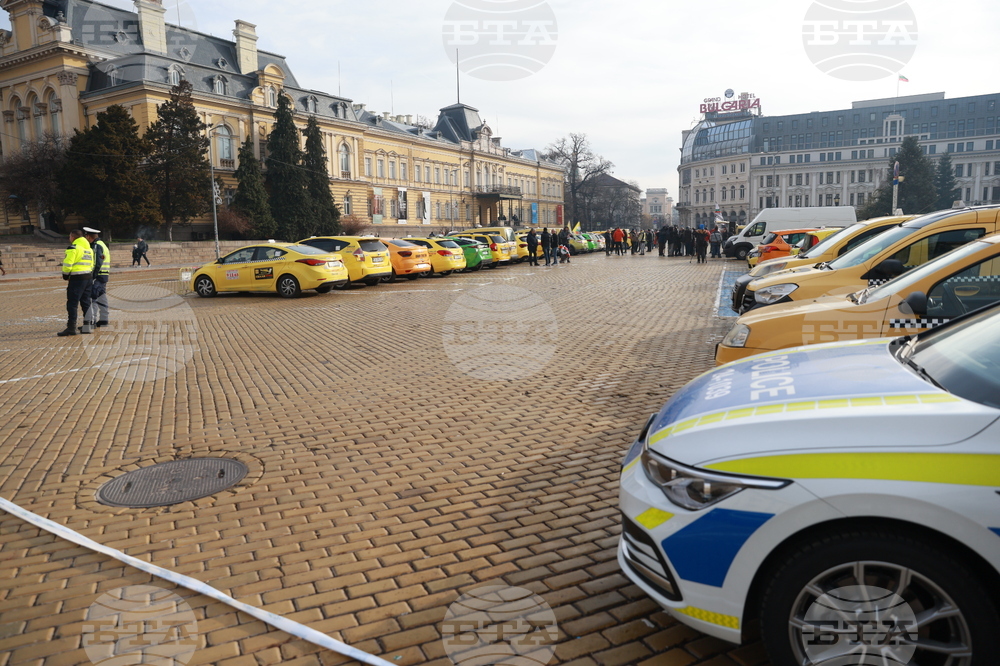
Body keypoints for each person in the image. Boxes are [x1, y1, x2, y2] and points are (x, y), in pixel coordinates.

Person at [58, 229, 95, 337]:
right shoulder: (89, 249)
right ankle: (87, 326)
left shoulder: (73, 248)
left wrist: (65, 275)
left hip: (77, 278)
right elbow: (92, 264)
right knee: (86, 302)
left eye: (70, 237)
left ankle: (71, 328)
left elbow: (68, 263)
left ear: (73, 237)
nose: (69, 239)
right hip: (88, 277)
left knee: (72, 304)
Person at [84, 227, 111, 327]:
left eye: (86, 236)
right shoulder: (102, 244)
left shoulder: (96, 246)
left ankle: (92, 322)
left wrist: (93, 276)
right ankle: (104, 319)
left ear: (88, 236)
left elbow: (98, 262)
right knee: (102, 297)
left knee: (93, 298)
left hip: (98, 275)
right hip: (104, 275)